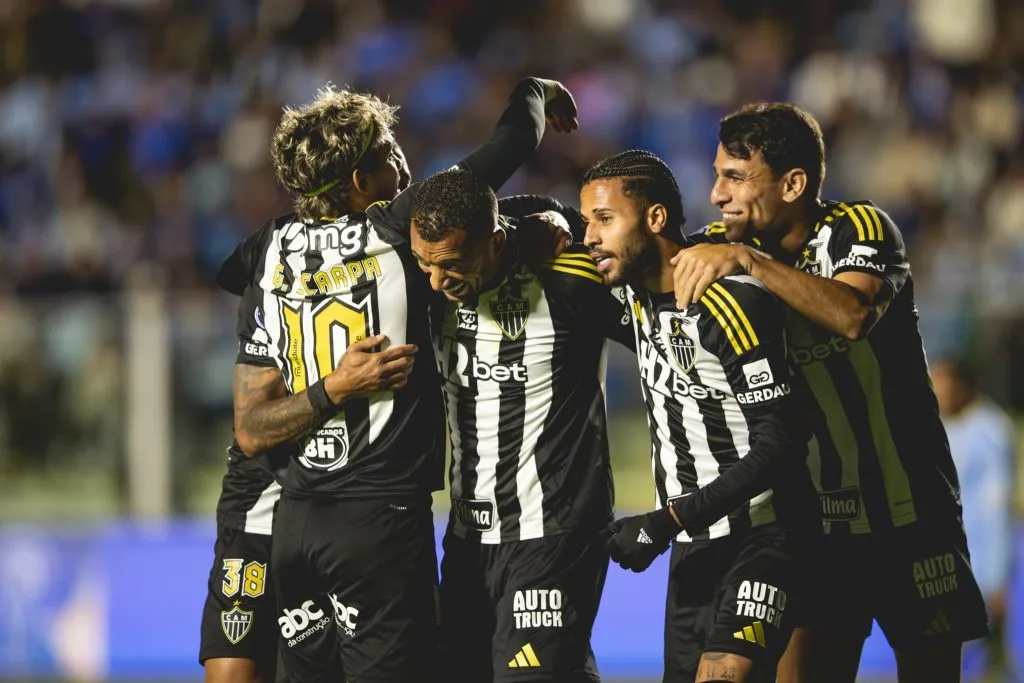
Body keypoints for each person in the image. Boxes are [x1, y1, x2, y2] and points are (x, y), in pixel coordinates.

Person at [208, 77, 578, 683]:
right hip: (378, 522)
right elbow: (516, 138)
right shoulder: (403, 233)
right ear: (360, 180)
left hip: (297, 525)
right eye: (388, 150)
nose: (403, 159)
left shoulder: (264, 253)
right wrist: (538, 90)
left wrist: (325, 388)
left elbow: (250, 430)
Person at [671, 102, 990, 683]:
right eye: (718, 175)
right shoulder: (718, 248)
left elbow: (852, 314)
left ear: (793, 184)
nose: (717, 194)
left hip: (913, 515)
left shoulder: (859, 226)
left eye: (736, 177)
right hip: (815, 528)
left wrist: (751, 261)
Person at [581, 150, 813, 683]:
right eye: (585, 220)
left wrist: (667, 519)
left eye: (604, 219)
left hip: (766, 534)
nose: (589, 236)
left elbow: (780, 438)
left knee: (723, 674)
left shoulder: (727, 302)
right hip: (692, 549)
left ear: (655, 219)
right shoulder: (632, 295)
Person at [406, 168, 633, 682]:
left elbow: (661, 323)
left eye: (454, 266)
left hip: (554, 529)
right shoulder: (427, 285)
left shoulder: (569, 276)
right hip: (466, 538)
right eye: (426, 265)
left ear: (497, 243)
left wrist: (565, 219)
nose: (438, 282)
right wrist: (549, 212)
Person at [932, 359, 1015, 679]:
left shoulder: (989, 431)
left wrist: (996, 577)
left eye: (944, 381)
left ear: (963, 385)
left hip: (977, 559)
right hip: (941, 555)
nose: (938, 390)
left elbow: (995, 508)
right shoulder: (934, 425)